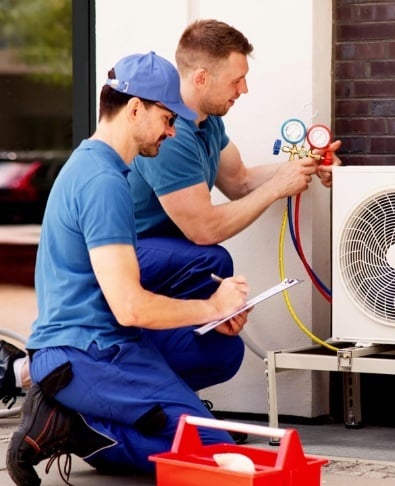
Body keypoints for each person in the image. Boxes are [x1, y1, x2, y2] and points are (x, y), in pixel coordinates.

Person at [5, 52, 251, 485]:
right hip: (85, 352)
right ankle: (76, 426)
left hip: (102, 341)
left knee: (220, 348)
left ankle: (112, 411)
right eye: (167, 119)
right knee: (214, 457)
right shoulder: (102, 183)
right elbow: (131, 309)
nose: (172, 131)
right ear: (135, 108)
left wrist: (212, 317)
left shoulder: (96, 166)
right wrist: (212, 307)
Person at [127, 19, 340, 311]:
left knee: (226, 345)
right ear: (201, 78)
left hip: (167, 251)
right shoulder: (171, 134)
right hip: (126, 252)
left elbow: (239, 181)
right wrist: (278, 187)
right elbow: (204, 230)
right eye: (236, 80)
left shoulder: (210, 121)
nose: (244, 89)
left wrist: (308, 166)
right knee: (212, 261)